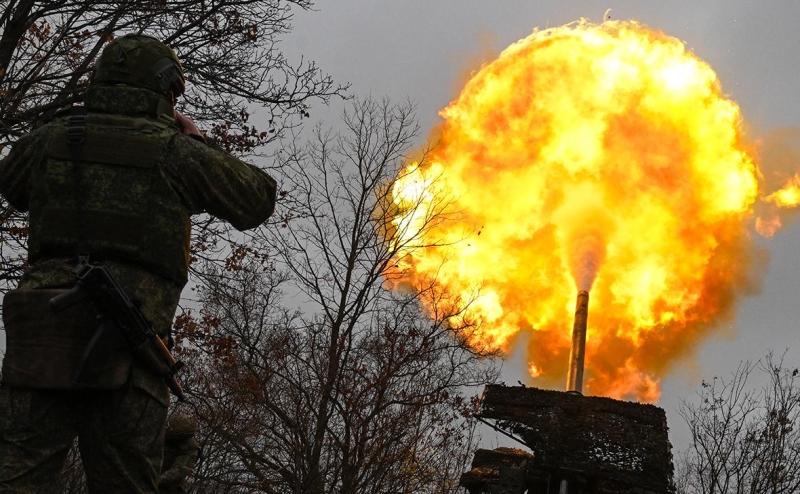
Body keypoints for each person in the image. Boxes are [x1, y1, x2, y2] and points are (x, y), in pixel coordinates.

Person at [0, 34, 276, 493]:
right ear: (166, 91)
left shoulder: (54, 139)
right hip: (125, 351)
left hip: (42, 340)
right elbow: (256, 200)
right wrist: (198, 142)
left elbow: (11, 185)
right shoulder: (175, 152)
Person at [159, 412, 200, 494]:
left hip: (165, 486)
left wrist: (155, 479)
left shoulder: (190, 448)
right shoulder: (158, 430)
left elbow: (177, 471)